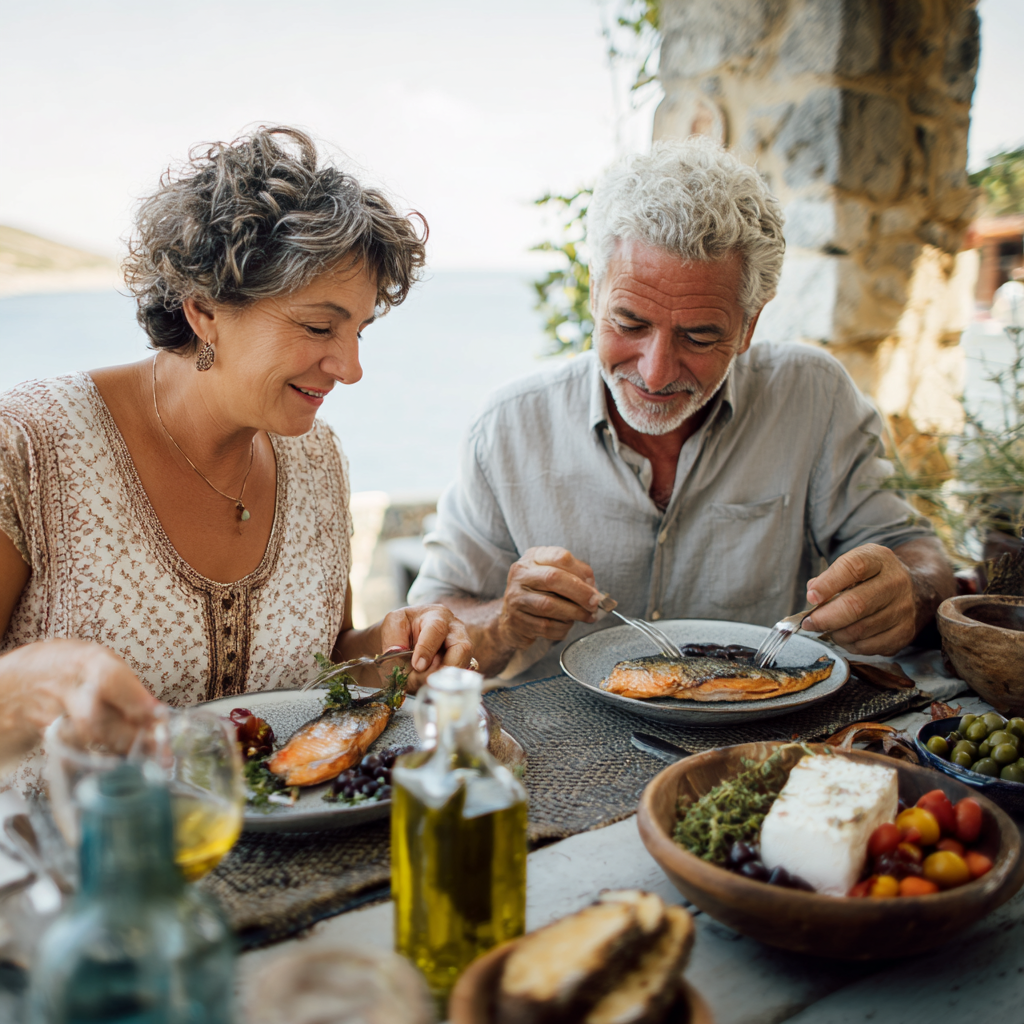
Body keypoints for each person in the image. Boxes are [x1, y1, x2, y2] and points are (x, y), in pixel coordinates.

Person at [0, 127, 472, 778]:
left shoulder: (317, 460)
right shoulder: (32, 444)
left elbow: (322, 662)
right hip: (78, 868)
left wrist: (393, 650)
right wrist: (34, 682)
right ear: (205, 310)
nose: (352, 367)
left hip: (294, 867)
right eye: (318, 326)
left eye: (359, 331)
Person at [408, 137, 956, 680]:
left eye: (698, 336)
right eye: (630, 324)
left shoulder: (814, 398)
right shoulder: (509, 425)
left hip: (750, 747)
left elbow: (915, 554)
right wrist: (504, 623)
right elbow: (433, 626)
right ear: (596, 294)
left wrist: (911, 590)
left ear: (749, 326)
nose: (655, 372)